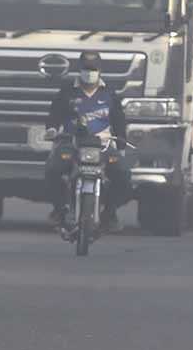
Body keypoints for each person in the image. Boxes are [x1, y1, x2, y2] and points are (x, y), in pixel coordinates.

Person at [43, 51, 131, 232]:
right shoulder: (67, 92)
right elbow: (54, 115)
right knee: (52, 170)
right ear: (79, 70)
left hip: (103, 146)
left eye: (93, 69)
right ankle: (60, 210)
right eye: (86, 69)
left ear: (99, 71)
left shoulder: (109, 94)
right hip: (71, 143)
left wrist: (121, 146)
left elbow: (119, 122)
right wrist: (51, 129)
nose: (89, 73)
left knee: (123, 175)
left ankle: (110, 213)